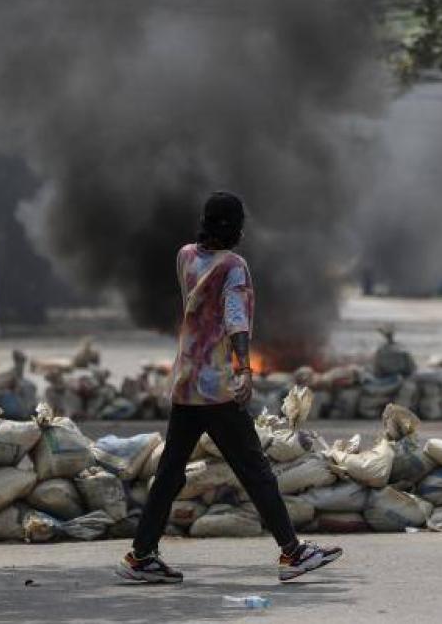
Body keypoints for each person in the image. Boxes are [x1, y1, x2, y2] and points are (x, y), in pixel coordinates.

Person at [116, 191, 342, 584]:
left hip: (186, 381)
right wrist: (244, 369)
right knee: (254, 469)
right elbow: (235, 319)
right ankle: (292, 553)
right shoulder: (234, 266)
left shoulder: (185, 255)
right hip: (216, 387)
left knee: (170, 472)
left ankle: (141, 555)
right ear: (236, 227)